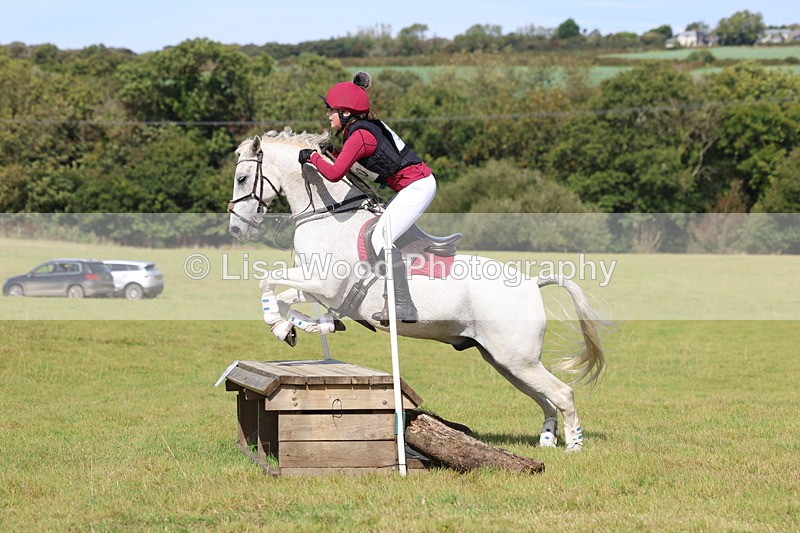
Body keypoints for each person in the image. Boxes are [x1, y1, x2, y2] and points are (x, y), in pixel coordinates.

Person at [298, 72, 436, 324]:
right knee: (379, 233)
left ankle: (403, 305)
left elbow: (335, 174)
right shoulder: (359, 132)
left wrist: (312, 157)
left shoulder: (360, 135)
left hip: (418, 186)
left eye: (331, 110)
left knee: (381, 236)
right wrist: (333, 153)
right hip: (411, 187)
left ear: (346, 113)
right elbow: (356, 165)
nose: (328, 115)